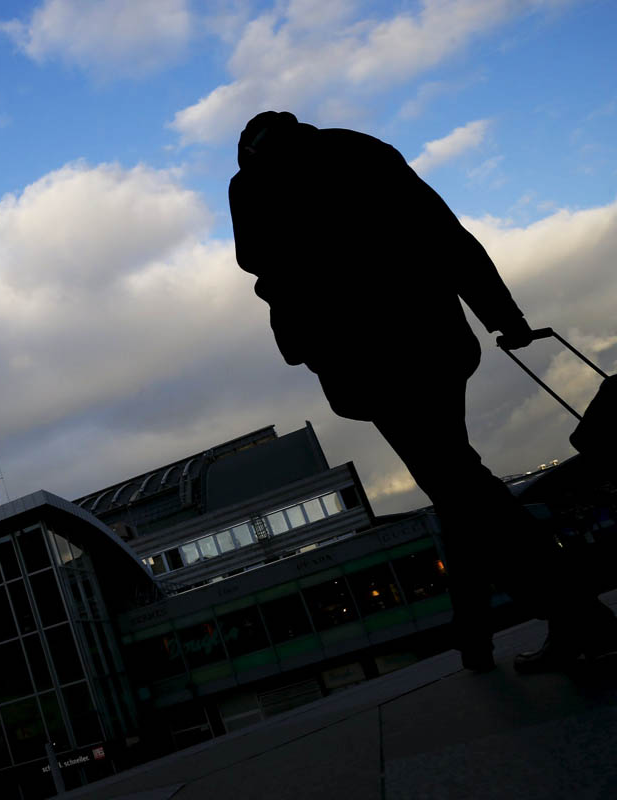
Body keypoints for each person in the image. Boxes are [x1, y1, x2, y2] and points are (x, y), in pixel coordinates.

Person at [228, 110, 617, 672]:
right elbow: (443, 230)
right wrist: (501, 313)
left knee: (460, 487)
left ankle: (582, 619)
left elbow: (257, 261)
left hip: (367, 359)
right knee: (458, 485)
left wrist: (303, 332)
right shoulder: (362, 151)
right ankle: (495, 632)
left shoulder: (254, 184)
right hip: (433, 339)